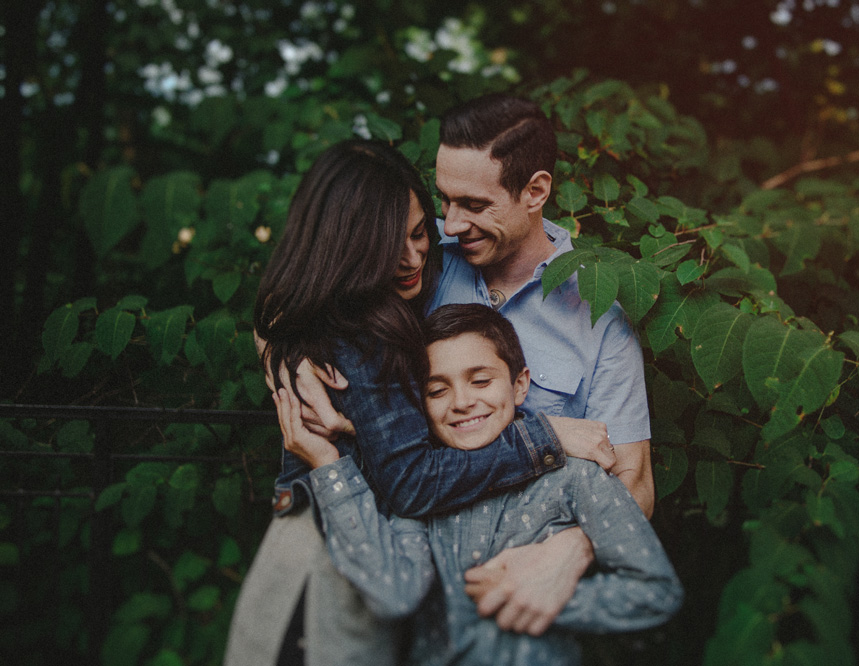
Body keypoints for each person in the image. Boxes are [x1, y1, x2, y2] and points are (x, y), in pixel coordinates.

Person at [223, 139, 613, 666]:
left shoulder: (382, 304)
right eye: (387, 248)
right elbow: (412, 482)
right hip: (328, 583)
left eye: (418, 233)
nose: (411, 259)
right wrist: (544, 437)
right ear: (346, 248)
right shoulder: (362, 340)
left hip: (375, 571)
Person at [291, 93, 654, 634]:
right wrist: (282, 352)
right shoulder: (417, 251)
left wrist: (571, 551)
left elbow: (637, 480)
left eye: (475, 205)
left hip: (505, 594)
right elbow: (309, 281)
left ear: (535, 191)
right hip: (386, 571)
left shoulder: (599, 318)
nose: (452, 223)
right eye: (444, 200)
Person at [274, 303, 681, 666]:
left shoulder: (575, 476)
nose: (462, 401)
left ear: (519, 385)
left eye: (481, 381)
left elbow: (655, 589)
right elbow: (394, 592)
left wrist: (547, 597)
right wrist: (329, 466)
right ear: (419, 404)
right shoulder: (419, 486)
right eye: (437, 389)